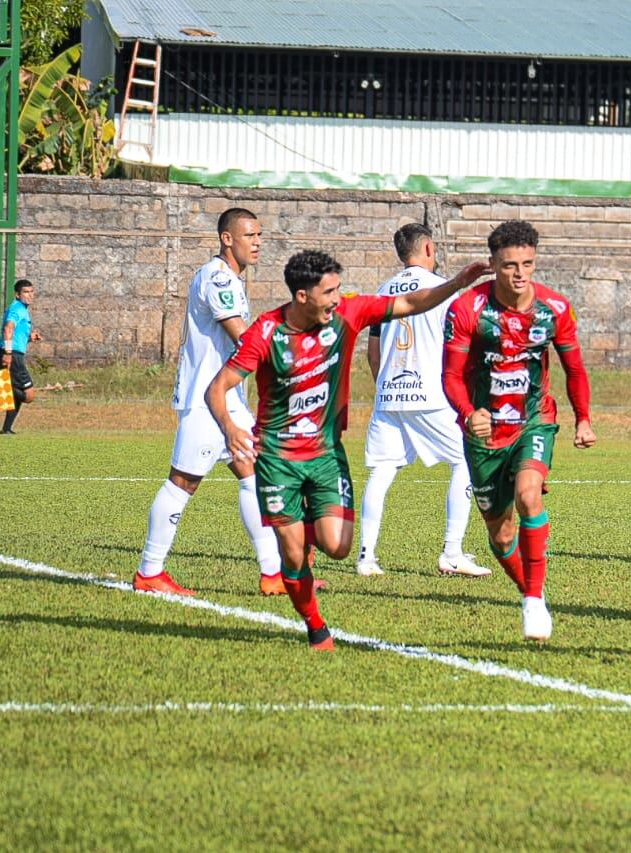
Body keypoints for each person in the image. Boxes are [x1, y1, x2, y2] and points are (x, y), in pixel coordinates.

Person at [208, 249, 490, 650]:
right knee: (291, 556)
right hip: (277, 458)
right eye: (329, 292)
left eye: (338, 289)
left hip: (325, 455)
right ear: (302, 296)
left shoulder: (348, 314)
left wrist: (458, 283)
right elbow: (217, 387)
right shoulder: (267, 331)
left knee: (338, 547)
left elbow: (410, 302)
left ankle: (304, 524)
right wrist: (230, 425)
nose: (337, 299)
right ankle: (315, 625)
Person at [441, 220, 596, 642]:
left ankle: (531, 601)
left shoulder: (555, 309)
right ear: (492, 264)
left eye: (527, 263)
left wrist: (582, 417)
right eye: (509, 265)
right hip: (485, 433)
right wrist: (468, 410)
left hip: (533, 419)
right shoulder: (467, 309)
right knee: (500, 532)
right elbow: (451, 375)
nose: (519, 273)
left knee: (530, 495)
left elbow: (575, 368)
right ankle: (533, 592)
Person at [134, 208, 292, 597]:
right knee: (183, 482)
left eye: (260, 235)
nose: (257, 243)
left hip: (228, 397)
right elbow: (243, 336)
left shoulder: (232, 279)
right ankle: (149, 572)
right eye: (249, 235)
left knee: (254, 474)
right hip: (206, 397)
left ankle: (273, 573)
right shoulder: (217, 277)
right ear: (226, 238)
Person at [357, 224, 489, 578]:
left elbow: (373, 349)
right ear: (428, 248)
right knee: (466, 461)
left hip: (388, 395)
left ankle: (366, 557)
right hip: (431, 394)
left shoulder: (383, 290)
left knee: (381, 471)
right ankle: (452, 551)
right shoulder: (442, 289)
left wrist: (384, 385)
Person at [0, 279, 41, 435]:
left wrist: (29, 337)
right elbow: (8, 328)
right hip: (12, 356)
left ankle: (7, 429)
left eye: (31, 291)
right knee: (28, 396)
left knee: (19, 393)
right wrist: (8, 353)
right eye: (25, 292)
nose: (30, 295)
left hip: (14, 354)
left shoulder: (22, 309)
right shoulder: (18, 309)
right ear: (17, 295)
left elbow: (15, 334)